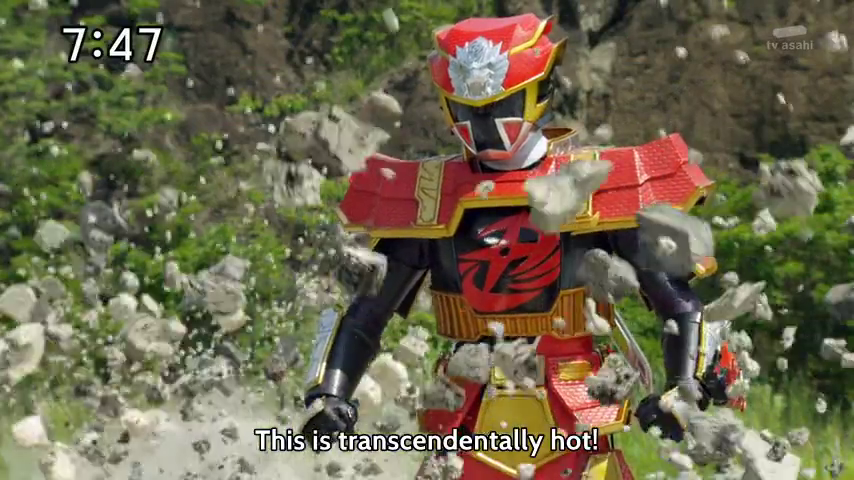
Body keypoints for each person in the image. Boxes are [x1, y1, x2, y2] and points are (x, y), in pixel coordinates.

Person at [301, 14, 740, 479]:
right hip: (465, 415)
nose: (484, 124)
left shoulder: (594, 183)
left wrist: (683, 389)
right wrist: (328, 394)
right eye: (469, 110)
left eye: (500, 106)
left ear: (539, 93)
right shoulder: (428, 195)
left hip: (574, 410)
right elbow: (366, 312)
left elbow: (679, 305)